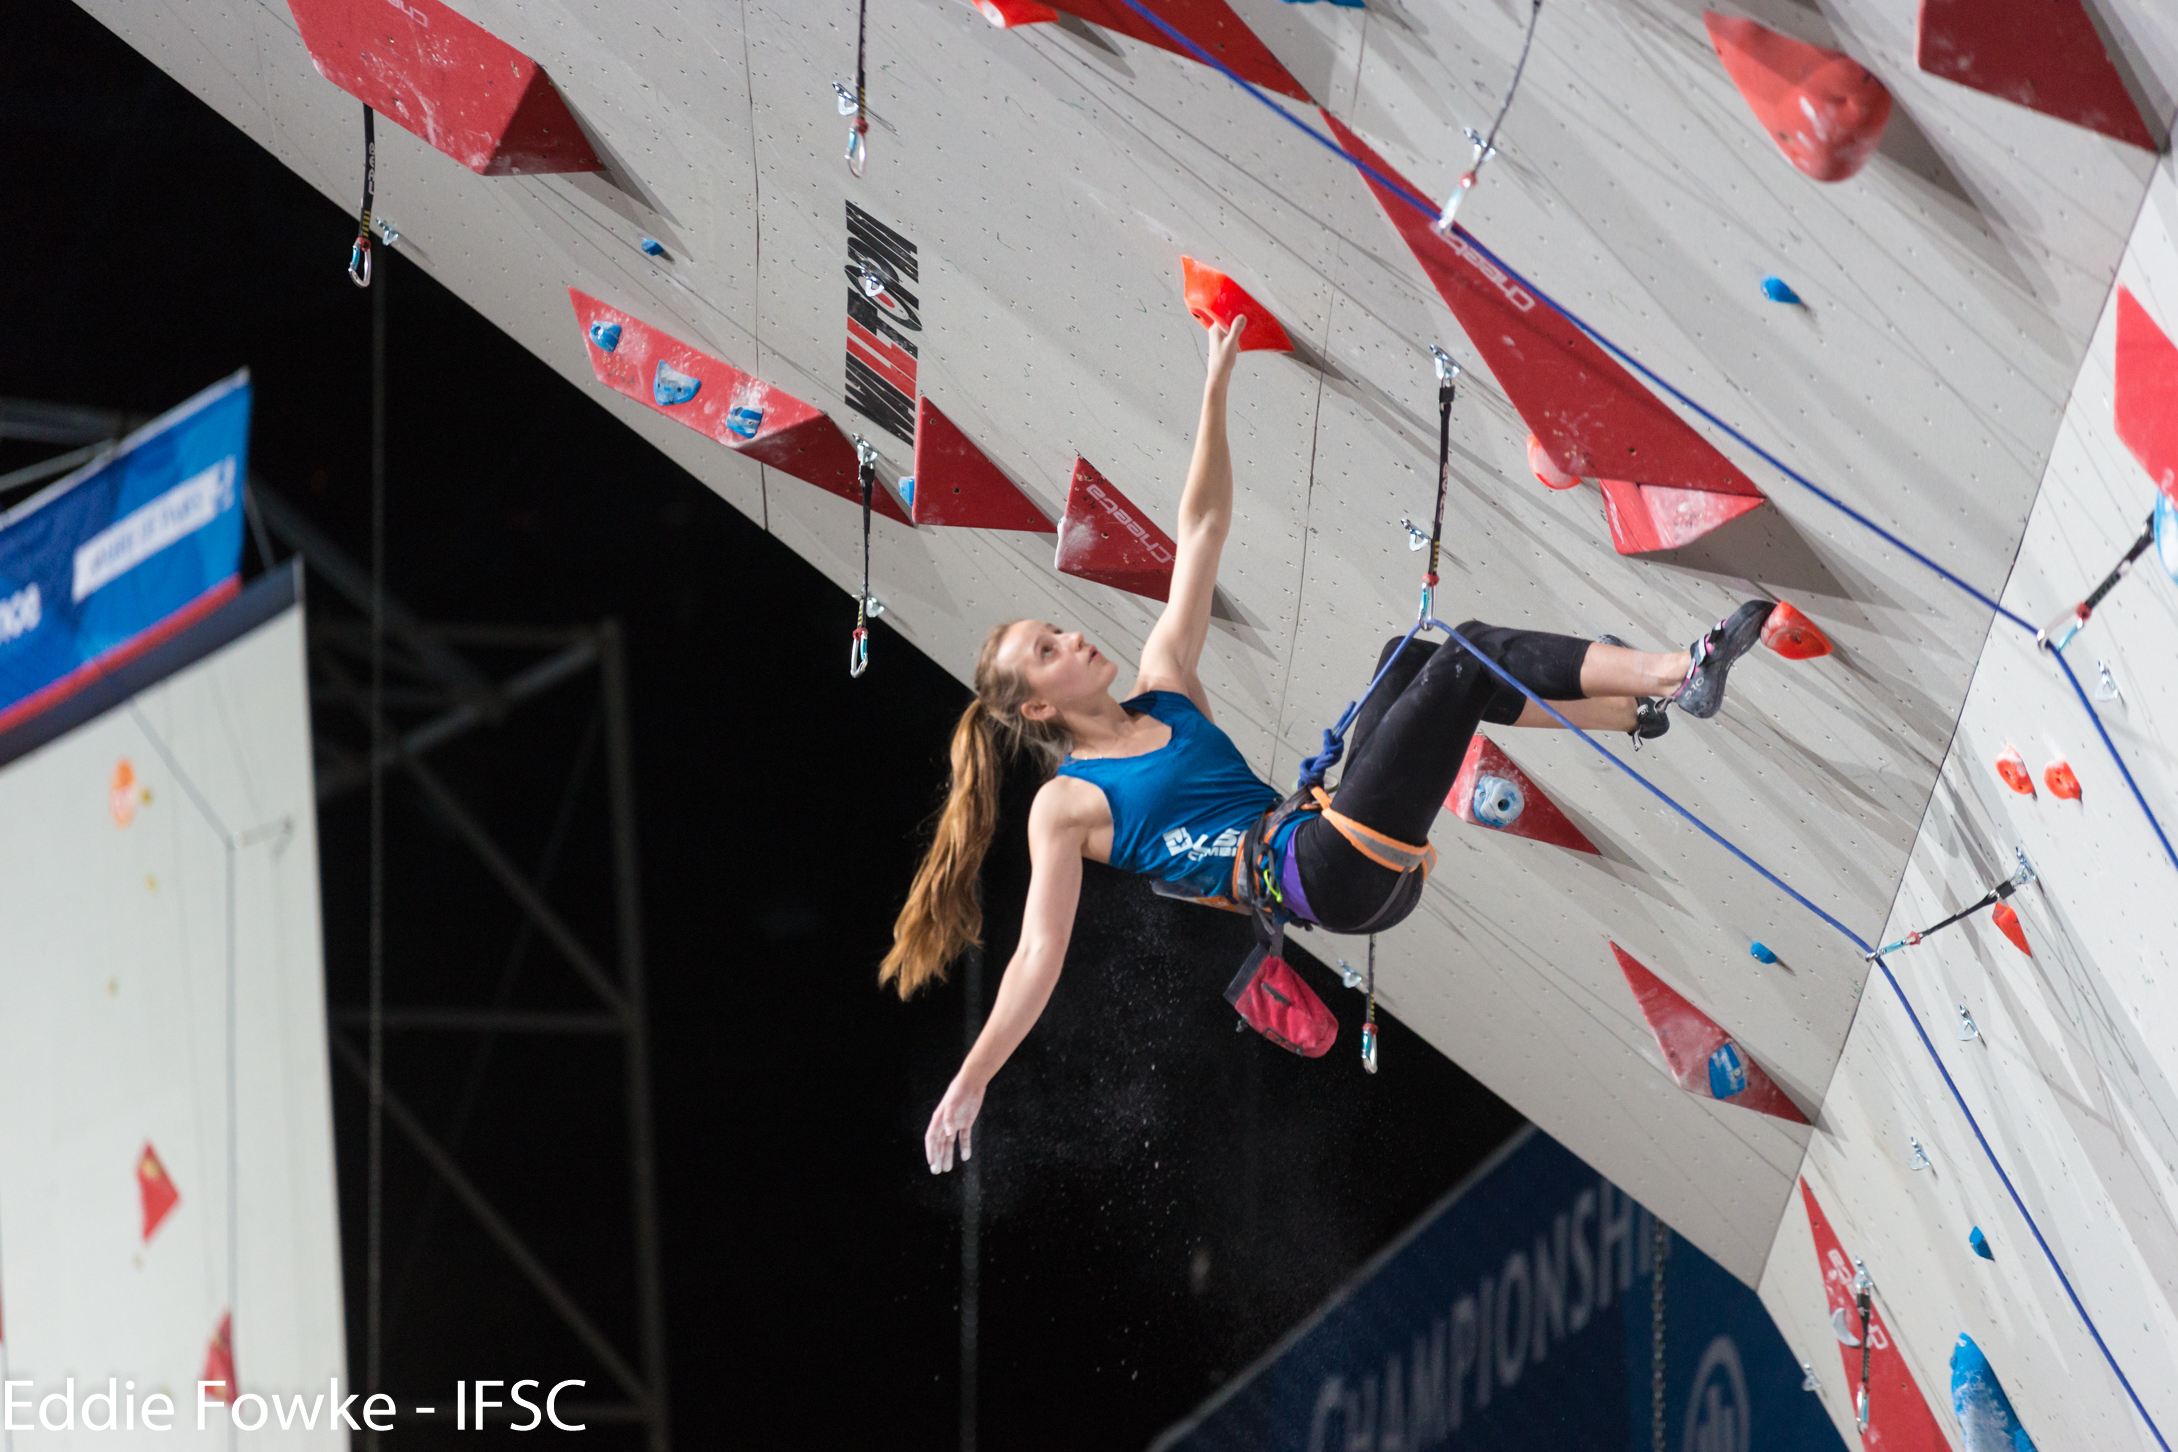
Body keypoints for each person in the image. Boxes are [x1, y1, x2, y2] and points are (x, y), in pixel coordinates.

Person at [884, 317, 1775, 1174]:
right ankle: (1673, 673)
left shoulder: (1166, 681)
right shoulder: (1066, 804)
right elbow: (1039, 955)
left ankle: (1632, 713)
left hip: (1334, 851)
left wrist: (1215, 382)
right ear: (1039, 711)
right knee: (1462, 656)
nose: (1073, 640)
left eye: (1057, 630)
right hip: (1320, 872)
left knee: (1414, 657)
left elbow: (1200, 531)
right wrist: (973, 1079)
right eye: (1049, 653)